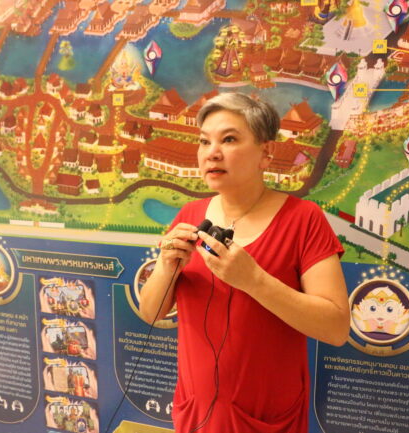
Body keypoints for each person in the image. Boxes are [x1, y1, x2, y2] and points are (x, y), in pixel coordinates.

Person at [139, 93, 350, 433]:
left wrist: (253, 280)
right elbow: (151, 313)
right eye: (204, 141)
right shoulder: (190, 215)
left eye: (229, 139)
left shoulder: (304, 219)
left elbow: (336, 329)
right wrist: (165, 266)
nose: (212, 153)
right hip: (196, 413)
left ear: (266, 153)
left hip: (267, 418)